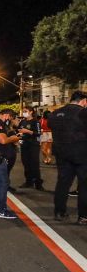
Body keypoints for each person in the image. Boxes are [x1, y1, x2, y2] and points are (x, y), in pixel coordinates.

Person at [47, 91, 87, 223]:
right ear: (83, 100)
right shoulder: (82, 112)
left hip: (61, 153)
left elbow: (52, 129)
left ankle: (59, 212)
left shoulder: (54, 114)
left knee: (63, 183)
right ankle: (83, 216)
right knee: (84, 185)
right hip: (82, 154)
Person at [18, 107, 43, 190]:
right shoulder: (22, 121)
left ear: (31, 112)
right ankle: (29, 182)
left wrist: (28, 131)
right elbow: (19, 131)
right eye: (23, 111)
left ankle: (38, 183)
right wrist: (19, 135)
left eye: (26, 111)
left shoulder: (35, 122)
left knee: (34, 164)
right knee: (26, 164)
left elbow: (38, 133)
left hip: (33, 145)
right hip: (24, 145)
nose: (24, 113)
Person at [4, 112, 20, 193]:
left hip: (8, 151)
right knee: (7, 170)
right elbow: (15, 142)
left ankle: (5, 185)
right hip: (10, 152)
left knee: (6, 170)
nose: (18, 121)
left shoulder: (7, 129)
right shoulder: (10, 131)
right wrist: (18, 139)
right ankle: (5, 185)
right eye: (17, 119)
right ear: (12, 120)